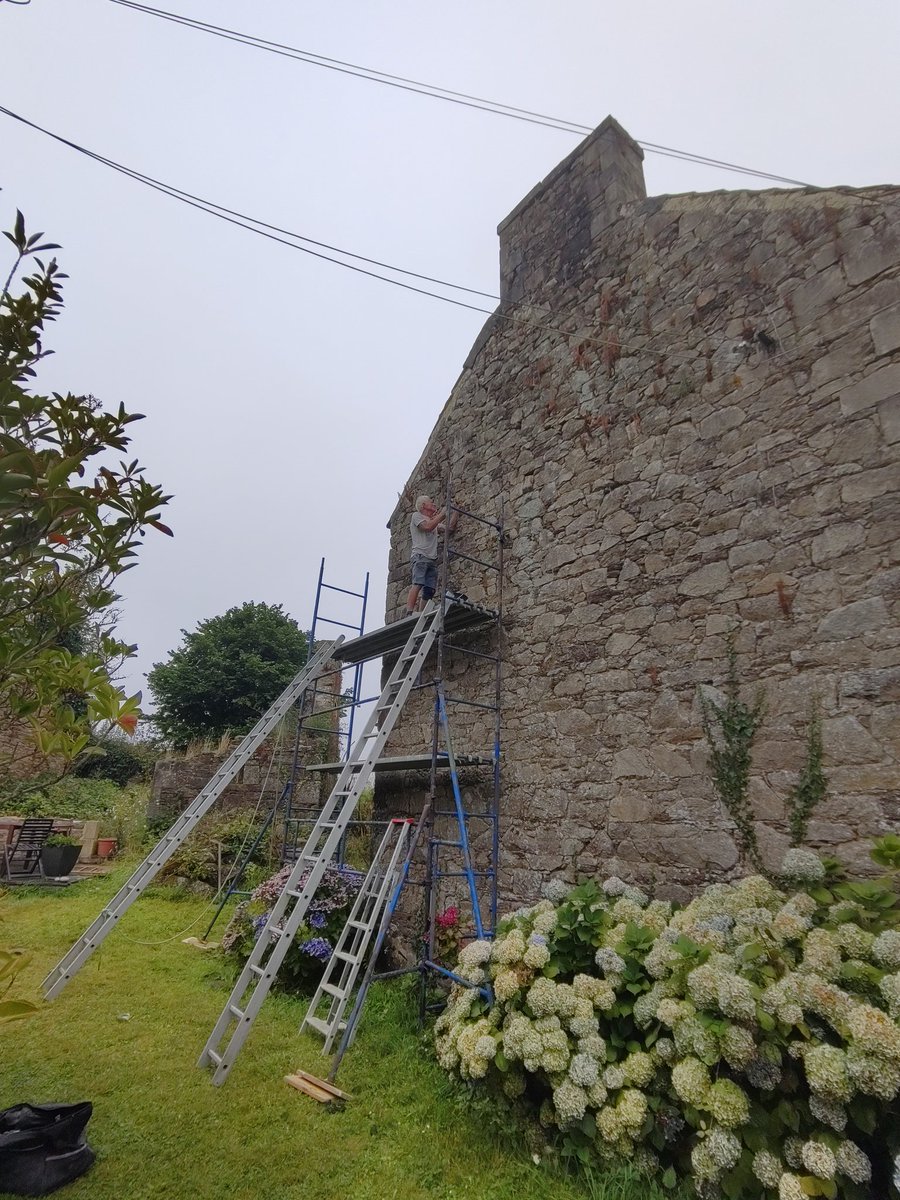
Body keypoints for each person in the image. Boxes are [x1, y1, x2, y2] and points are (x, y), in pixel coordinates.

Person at [405, 494, 456, 616]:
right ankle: (409, 612)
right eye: (431, 502)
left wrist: (455, 512)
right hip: (420, 556)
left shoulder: (434, 523)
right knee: (418, 583)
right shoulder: (416, 516)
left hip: (431, 559)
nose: (434, 504)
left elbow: (449, 529)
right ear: (423, 505)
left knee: (430, 590)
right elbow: (427, 527)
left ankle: (421, 613)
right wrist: (443, 514)